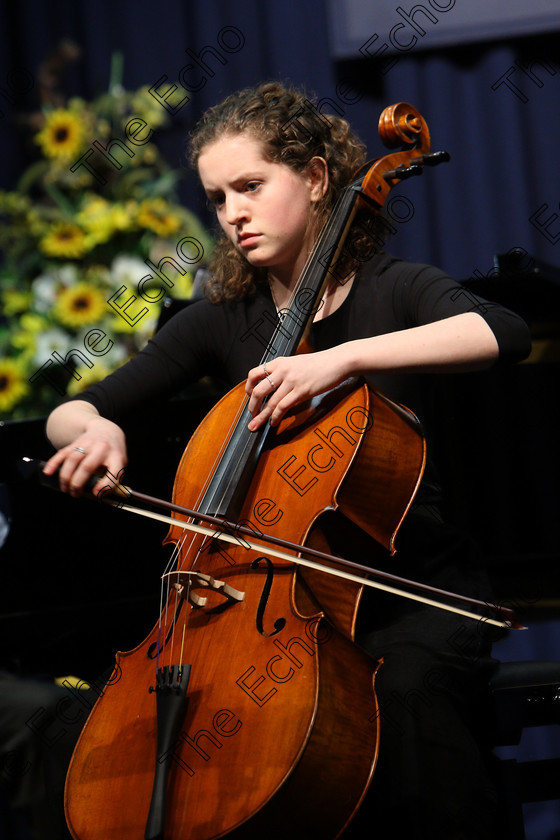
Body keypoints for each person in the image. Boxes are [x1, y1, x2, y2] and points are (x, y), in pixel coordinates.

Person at [43, 82, 531, 838]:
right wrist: (91, 431)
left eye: (249, 186)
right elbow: (75, 407)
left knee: (405, 699)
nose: (232, 212)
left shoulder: (392, 291)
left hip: (400, 596)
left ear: (312, 178)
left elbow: (502, 332)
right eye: (216, 197)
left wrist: (342, 362)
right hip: (256, 615)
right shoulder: (222, 320)